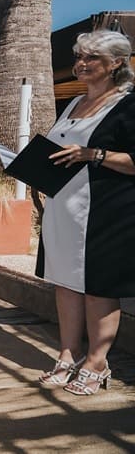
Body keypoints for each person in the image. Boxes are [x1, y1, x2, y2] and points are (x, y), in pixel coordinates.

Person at [38, 29, 135, 396]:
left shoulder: (128, 105)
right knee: (65, 282)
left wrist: (94, 155)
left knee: (98, 288)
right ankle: (69, 354)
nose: (80, 63)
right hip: (62, 207)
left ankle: (97, 362)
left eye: (91, 57)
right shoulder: (72, 103)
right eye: (79, 56)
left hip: (105, 211)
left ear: (116, 63)